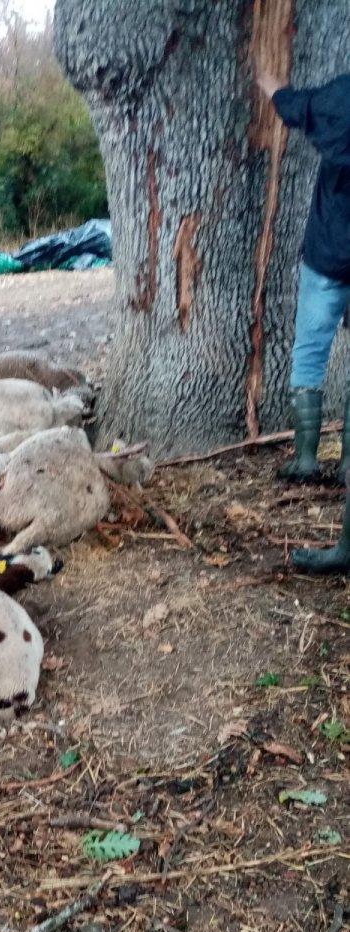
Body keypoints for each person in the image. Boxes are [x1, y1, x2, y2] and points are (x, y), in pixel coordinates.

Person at [258, 70, 350, 574]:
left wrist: (271, 85)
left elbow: (303, 107)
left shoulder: (344, 97)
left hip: (329, 249)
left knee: (310, 351)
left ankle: (307, 458)